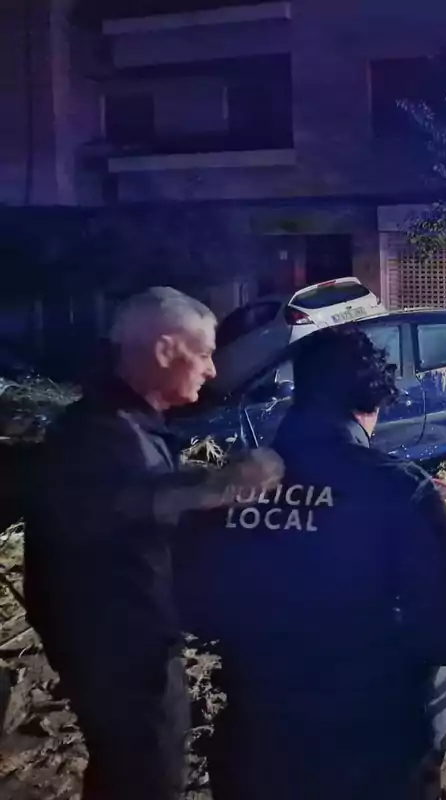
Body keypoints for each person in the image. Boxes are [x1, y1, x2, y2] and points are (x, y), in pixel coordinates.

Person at [176, 326, 446, 800]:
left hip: (261, 736)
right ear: (370, 399)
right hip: (378, 745)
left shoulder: (231, 487)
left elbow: (193, 607)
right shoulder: (399, 488)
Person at [24, 287, 283, 800]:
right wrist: (218, 486)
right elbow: (116, 505)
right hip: (119, 650)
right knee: (147, 777)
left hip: (124, 641)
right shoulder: (98, 432)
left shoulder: (129, 428)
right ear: (166, 350)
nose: (212, 370)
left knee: (129, 770)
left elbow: (146, 506)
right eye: (205, 352)